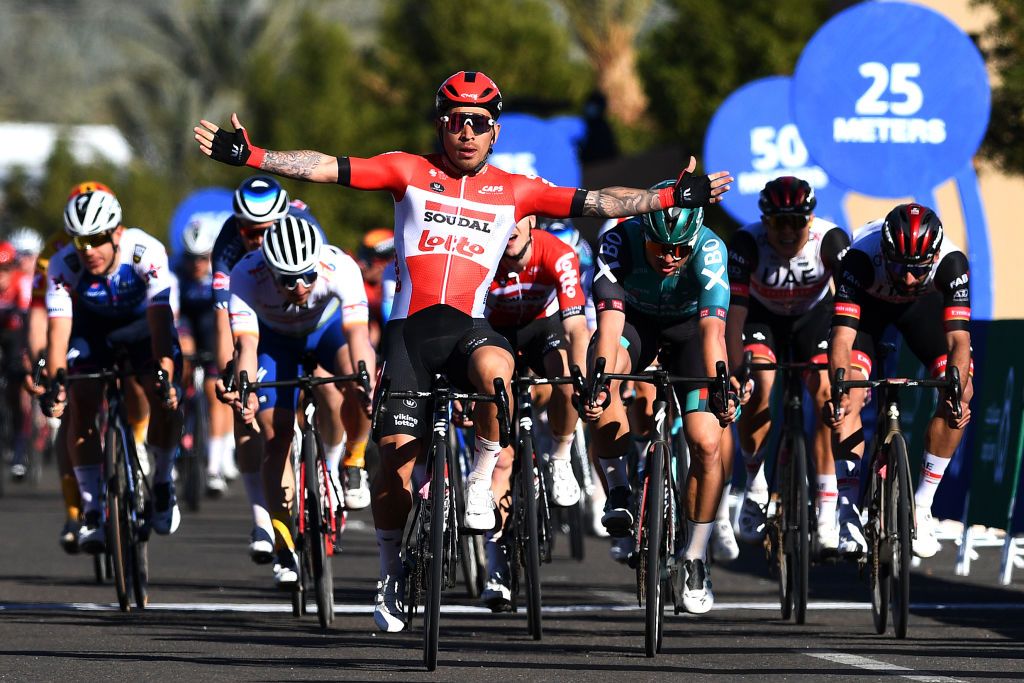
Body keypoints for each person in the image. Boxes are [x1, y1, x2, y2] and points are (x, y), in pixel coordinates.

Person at [194, 69, 731, 632]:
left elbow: (595, 202)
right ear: (441, 125)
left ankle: (478, 480)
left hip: (468, 327)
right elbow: (328, 167)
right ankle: (391, 575)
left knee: (497, 371)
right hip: (408, 336)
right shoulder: (409, 171)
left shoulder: (514, 188)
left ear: (494, 130)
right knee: (394, 474)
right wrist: (253, 155)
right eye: (456, 122)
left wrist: (670, 195)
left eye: (478, 123)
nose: (467, 132)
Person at [583, 179, 739, 614]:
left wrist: (722, 386)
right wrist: (600, 380)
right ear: (643, 232)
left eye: (679, 250)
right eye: (661, 248)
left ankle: (694, 556)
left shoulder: (709, 250)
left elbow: (713, 333)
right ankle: (617, 490)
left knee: (706, 442)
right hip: (636, 324)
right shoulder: (618, 241)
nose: (670, 258)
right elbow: (610, 329)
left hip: (691, 332)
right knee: (605, 377)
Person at [224, 216, 375, 587]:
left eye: (307, 276)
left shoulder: (340, 266)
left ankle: (351, 461)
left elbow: (358, 338)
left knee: (357, 383)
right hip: (274, 342)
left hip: (326, 331)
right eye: (288, 280)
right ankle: (283, 542)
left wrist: (367, 382)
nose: (300, 286)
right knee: (275, 437)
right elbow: (246, 345)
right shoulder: (245, 273)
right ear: (268, 268)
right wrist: (246, 393)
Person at [826, 203, 972, 559]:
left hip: (920, 312)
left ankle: (922, 504)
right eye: (898, 267)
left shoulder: (952, 263)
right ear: (885, 252)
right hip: (868, 313)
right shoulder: (860, 258)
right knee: (849, 395)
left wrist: (957, 392)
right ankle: (846, 510)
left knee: (962, 391)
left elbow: (958, 341)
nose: (907, 278)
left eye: (918, 270)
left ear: (933, 257)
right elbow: (843, 339)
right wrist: (839, 390)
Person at [42, 186, 182, 552]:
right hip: (92, 332)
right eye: (79, 241)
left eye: (97, 239)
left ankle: (164, 478)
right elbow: (58, 335)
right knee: (81, 401)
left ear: (117, 232)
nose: (87, 250)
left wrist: (164, 374)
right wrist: (56, 386)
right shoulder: (63, 264)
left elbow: (160, 322)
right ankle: (91, 510)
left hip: (142, 328)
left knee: (164, 396)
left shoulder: (145, 251)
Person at [726, 176, 851, 553]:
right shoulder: (746, 243)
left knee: (829, 395)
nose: (786, 230)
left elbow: (851, 310)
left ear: (810, 220)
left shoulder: (831, 241)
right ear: (764, 220)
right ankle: (754, 484)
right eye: (778, 221)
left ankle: (827, 509)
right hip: (762, 320)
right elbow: (735, 315)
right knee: (759, 386)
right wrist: (735, 370)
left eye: (796, 221)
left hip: (813, 319)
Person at [210, 175, 324, 568]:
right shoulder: (228, 249)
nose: (256, 241)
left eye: (266, 232)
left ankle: (335, 466)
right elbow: (224, 317)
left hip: (305, 319)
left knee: (329, 381)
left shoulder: (305, 230)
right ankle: (263, 518)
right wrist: (231, 376)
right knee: (245, 405)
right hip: (256, 321)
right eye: (248, 231)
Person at [479, 213, 589, 609]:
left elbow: (578, 328)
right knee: (503, 460)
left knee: (565, 375)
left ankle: (560, 455)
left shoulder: (558, 253)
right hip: (494, 335)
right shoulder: (482, 255)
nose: (508, 230)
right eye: (500, 223)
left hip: (543, 330)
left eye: (517, 222)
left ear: (533, 223)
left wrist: (582, 380)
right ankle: (495, 564)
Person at [174, 215, 234, 494]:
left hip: (211, 327)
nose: (196, 264)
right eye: (190, 258)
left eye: (202, 258)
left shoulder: (221, 273)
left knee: (215, 392)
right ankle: (179, 428)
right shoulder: (177, 273)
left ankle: (215, 465)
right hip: (186, 325)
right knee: (182, 356)